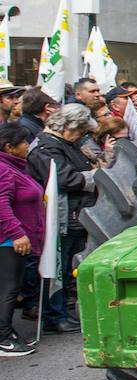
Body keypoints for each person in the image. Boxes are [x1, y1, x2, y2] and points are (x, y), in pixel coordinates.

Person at [26, 104, 97, 332]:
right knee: (55, 267)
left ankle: (60, 311)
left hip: (72, 216)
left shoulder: (62, 144)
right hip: (59, 217)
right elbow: (64, 179)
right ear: (68, 127)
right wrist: (95, 176)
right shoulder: (46, 148)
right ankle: (54, 315)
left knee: (65, 268)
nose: (81, 137)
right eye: (80, 131)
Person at [0, 122, 44, 357]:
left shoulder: (13, 167)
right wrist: (17, 234)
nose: (28, 146)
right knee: (8, 290)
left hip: (14, 238)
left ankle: (7, 332)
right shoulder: (4, 170)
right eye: (24, 142)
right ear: (9, 147)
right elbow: (1, 205)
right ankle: (3, 339)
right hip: (8, 241)